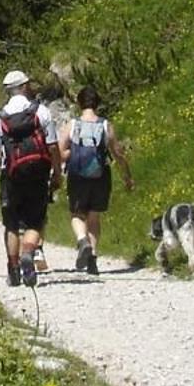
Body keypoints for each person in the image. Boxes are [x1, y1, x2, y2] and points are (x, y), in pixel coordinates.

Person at [0, 68, 60, 287]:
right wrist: (57, 174)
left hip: (11, 176)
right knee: (35, 221)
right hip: (38, 174)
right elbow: (53, 147)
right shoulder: (41, 112)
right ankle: (28, 253)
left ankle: (14, 270)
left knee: (12, 225)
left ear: (8, 91)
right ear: (25, 87)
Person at [59, 86, 133, 275]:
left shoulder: (73, 124)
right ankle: (92, 258)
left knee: (77, 214)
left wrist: (72, 154)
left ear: (79, 103)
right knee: (93, 216)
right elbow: (117, 153)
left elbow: (60, 151)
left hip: (77, 176)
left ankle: (82, 240)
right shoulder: (105, 125)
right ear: (97, 103)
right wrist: (127, 175)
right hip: (100, 175)